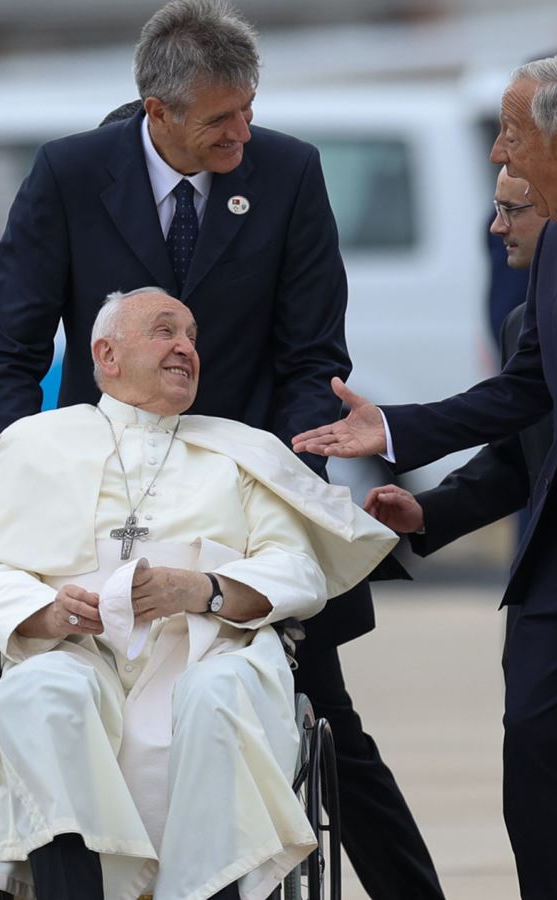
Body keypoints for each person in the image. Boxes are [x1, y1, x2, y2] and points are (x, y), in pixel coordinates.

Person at [0, 2, 445, 897]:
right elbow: (9, 345)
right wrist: (31, 471)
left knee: (324, 720)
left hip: (238, 488)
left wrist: (278, 485)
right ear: (159, 110)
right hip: (96, 487)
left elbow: (313, 356)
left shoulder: (289, 173)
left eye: (250, 109)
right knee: (22, 685)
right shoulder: (71, 173)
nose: (244, 132)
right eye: (221, 118)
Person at [0, 288, 397, 900]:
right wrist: (48, 611)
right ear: (107, 354)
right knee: (40, 693)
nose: (186, 348)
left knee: (219, 697)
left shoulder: (240, 452)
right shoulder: (34, 443)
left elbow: (297, 570)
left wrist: (206, 589)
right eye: (165, 331)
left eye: (192, 336)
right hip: (79, 651)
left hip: (207, 651)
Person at [292, 55, 557, 899]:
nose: (496, 158)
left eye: (511, 138)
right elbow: (521, 432)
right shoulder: (536, 298)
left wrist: (397, 428)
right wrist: (426, 509)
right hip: (550, 595)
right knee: (537, 787)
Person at [361, 167, 550, 560]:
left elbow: (512, 398)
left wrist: (394, 428)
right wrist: (431, 510)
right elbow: (520, 453)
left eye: (511, 209)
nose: (497, 227)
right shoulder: (522, 323)